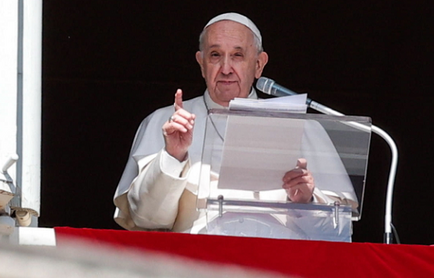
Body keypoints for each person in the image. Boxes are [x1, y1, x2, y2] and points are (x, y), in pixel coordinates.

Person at [113, 13, 354, 239]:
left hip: (279, 270)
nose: (226, 68)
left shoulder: (304, 127)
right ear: (201, 62)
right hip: (196, 269)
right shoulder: (166, 121)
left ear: (259, 64)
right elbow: (145, 219)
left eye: (238, 55)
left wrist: (306, 202)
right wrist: (172, 157)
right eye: (215, 55)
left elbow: (339, 233)